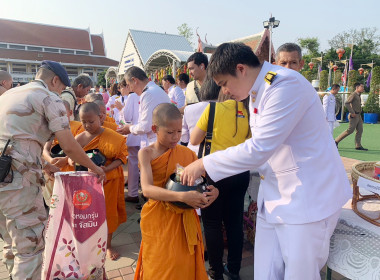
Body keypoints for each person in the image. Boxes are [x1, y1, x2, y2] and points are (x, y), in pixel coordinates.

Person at [180, 43, 352, 280]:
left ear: (241, 69)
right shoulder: (257, 91)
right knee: (266, 272)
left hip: (307, 200)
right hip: (276, 196)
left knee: (298, 275)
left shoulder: (285, 85)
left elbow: (259, 148)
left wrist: (204, 163)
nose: (225, 92)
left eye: (224, 84)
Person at [0, 60, 105, 280]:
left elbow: (17, 139)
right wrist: (94, 167)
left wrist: (45, 165)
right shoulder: (48, 98)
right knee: (30, 247)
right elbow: (69, 145)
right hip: (16, 182)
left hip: (6, 174)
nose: (61, 93)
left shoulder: (9, 95)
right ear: (55, 80)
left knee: (10, 240)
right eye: (61, 88)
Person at [134, 103, 218, 280]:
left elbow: (203, 183)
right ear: (155, 129)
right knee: (160, 266)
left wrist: (213, 192)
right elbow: (148, 189)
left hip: (185, 218)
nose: (176, 137)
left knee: (183, 266)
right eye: (170, 133)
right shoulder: (146, 153)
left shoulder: (187, 154)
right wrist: (182, 196)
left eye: (179, 131)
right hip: (159, 218)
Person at [190, 82, 251, 280]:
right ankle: (233, 270)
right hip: (240, 173)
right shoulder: (249, 111)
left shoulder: (213, 108)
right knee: (234, 222)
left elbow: (194, 139)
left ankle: (215, 271)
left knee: (212, 223)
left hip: (214, 172)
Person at [74, 102, 128, 260]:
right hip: (87, 183)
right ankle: (89, 242)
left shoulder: (113, 136)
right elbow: (73, 157)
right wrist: (74, 162)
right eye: (83, 122)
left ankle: (108, 245)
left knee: (108, 213)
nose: (87, 125)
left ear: (101, 117)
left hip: (109, 181)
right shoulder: (80, 138)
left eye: (91, 121)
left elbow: (122, 158)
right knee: (88, 213)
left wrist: (107, 169)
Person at [117, 66, 170, 148]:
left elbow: (145, 126)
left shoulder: (148, 93)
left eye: (128, 85)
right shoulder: (154, 89)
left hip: (156, 144)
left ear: (135, 80)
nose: (130, 89)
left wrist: (130, 128)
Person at [42, 100, 83, 204]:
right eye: (57, 114)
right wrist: (51, 160)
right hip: (53, 168)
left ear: (70, 112)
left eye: (63, 114)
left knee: (72, 200)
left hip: (71, 167)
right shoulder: (52, 127)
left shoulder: (79, 126)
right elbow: (44, 149)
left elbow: (80, 148)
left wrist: (65, 160)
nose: (60, 117)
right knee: (55, 202)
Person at [181, 75, 219, 155]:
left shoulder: (189, 109)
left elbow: (184, 137)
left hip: (193, 154)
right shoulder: (226, 108)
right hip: (217, 155)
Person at [118, 79, 141, 203]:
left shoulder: (132, 96)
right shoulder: (150, 93)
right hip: (147, 136)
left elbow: (126, 117)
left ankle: (133, 193)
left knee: (133, 164)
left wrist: (121, 109)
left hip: (134, 133)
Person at [335, 82, 367, 150]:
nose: (363, 88)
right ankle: (336, 141)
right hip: (354, 115)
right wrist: (352, 112)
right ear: (357, 87)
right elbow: (347, 103)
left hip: (358, 115)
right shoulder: (354, 95)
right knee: (350, 130)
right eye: (362, 87)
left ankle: (358, 145)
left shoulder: (358, 95)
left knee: (360, 130)